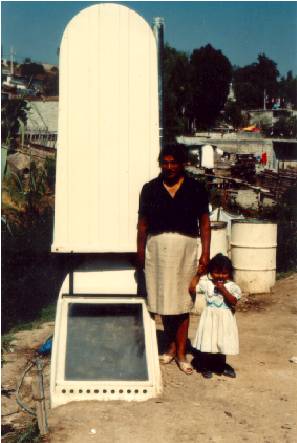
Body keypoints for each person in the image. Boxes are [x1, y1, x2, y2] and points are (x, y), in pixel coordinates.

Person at [137, 144, 211, 375]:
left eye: (173, 162)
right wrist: (140, 253)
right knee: (163, 301)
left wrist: (205, 253)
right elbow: (142, 226)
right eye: (165, 162)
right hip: (157, 249)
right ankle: (170, 346)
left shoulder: (196, 188)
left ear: (182, 164)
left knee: (181, 302)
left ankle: (181, 352)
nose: (169, 167)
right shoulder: (150, 189)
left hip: (185, 248)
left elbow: (205, 224)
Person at [192, 253, 241, 379]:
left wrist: (224, 290)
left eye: (224, 273)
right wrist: (198, 274)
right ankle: (205, 366)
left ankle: (221, 365)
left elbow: (234, 301)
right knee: (209, 340)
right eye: (216, 273)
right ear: (211, 272)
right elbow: (192, 288)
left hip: (225, 319)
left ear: (229, 273)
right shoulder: (207, 284)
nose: (220, 276)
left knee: (222, 341)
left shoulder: (232, 286)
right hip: (210, 317)